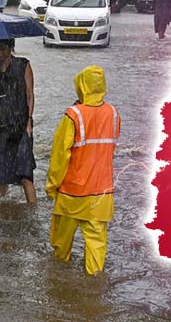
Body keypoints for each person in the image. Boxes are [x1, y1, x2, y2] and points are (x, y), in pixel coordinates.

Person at [46, 65, 120, 276]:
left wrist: (52, 187)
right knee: (97, 251)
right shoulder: (114, 114)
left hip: (72, 193)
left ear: (81, 85)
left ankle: (59, 286)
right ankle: (94, 292)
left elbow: (60, 156)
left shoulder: (73, 115)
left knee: (61, 249)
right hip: (101, 195)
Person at [0, 39, 37, 204]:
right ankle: (2, 208)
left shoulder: (23, 65)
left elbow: (29, 94)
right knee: (0, 175)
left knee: (25, 173)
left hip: (20, 126)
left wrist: (28, 121)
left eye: (3, 49)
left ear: (10, 48)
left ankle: (32, 212)